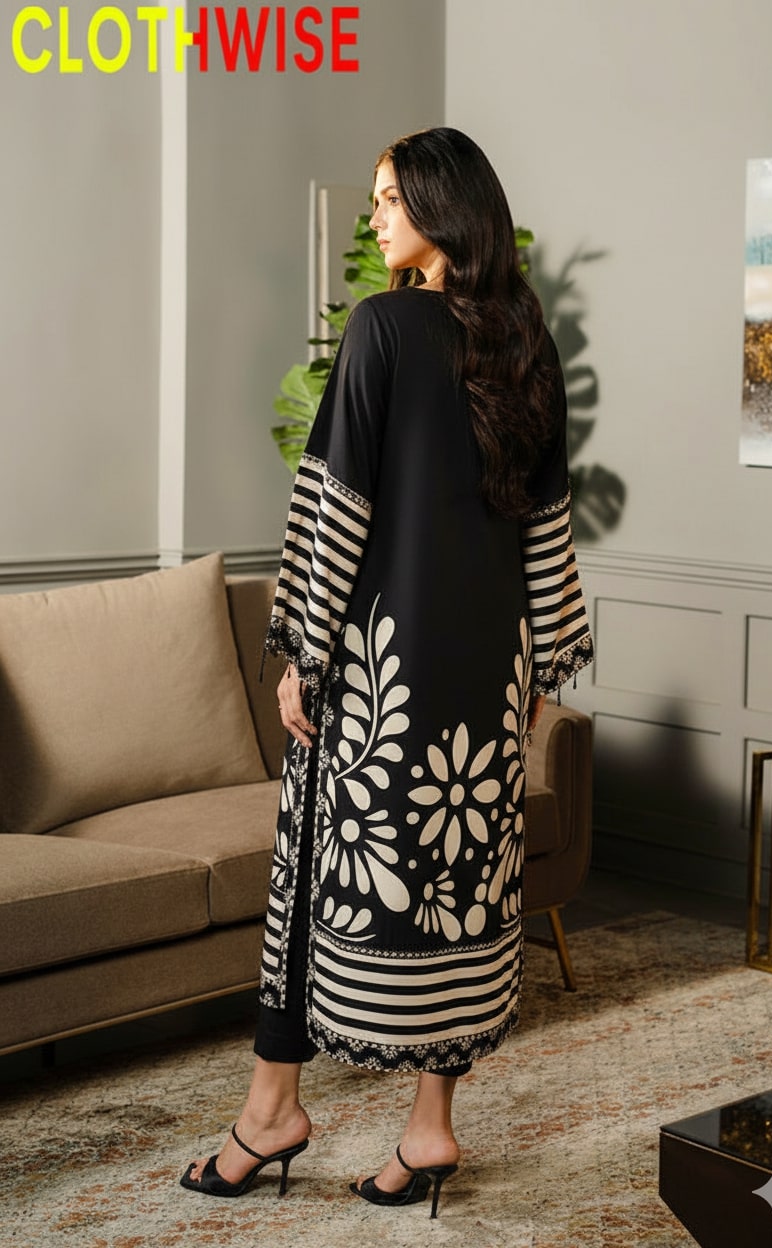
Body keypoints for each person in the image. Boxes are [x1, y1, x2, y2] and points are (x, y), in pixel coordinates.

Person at [180, 126, 593, 1218]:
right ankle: (430, 1130)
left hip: (381, 673)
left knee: (311, 875)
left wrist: (300, 651)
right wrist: (546, 660)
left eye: (388, 198)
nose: (374, 216)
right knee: (458, 883)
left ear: (441, 207)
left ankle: (271, 1114)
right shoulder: (525, 347)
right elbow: (547, 525)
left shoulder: (384, 328)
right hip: (488, 680)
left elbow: (335, 504)